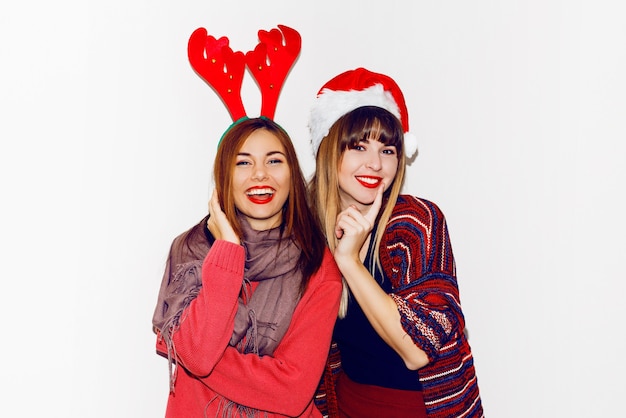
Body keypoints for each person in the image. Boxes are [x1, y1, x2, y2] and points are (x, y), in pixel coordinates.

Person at [152, 26, 342, 417]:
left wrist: (189, 350)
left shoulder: (318, 264)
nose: (260, 175)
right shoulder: (189, 251)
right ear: (224, 176)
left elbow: (291, 391)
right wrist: (226, 252)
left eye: (275, 160)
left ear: (292, 174)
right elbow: (198, 353)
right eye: (243, 162)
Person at [308, 68, 483, 417]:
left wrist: (350, 262)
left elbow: (417, 351)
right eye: (358, 146)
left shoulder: (418, 223)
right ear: (328, 150)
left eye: (388, 149)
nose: (375, 164)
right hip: (348, 407)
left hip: (423, 410)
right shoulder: (309, 232)